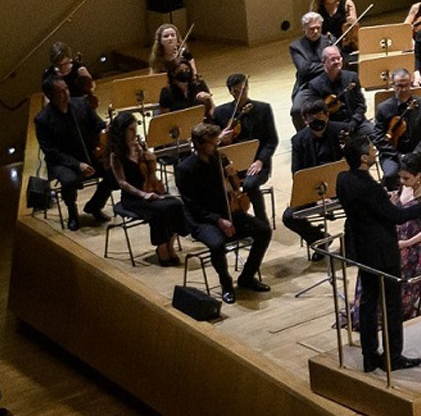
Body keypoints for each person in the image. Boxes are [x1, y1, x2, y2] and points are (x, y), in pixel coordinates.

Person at [338, 136, 421, 370]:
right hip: (382, 251)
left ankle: (369, 356)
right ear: (364, 158)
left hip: (361, 248)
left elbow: (369, 210)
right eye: (372, 149)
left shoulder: (343, 179)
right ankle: (393, 357)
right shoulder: (370, 187)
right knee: (392, 305)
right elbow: (396, 217)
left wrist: (384, 202)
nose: (375, 151)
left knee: (368, 302)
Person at [177, 122, 274, 304]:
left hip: (227, 211)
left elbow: (232, 184)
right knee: (217, 244)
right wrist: (219, 221)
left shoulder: (218, 159)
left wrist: (234, 182)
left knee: (264, 231)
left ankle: (246, 277)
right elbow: (192, 206)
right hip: (202, 220)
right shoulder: (185, 169)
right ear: (199, 144)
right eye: (212, 143)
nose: (216, 146)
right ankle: (226, 283)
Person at [104, 112, 186, 266]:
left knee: (177, 204)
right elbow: (122, 183)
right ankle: (161, 248)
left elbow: (151, 170)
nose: (135, 134)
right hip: (133, 198)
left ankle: (170, 244)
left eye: (136, 130)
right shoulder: (116, 155)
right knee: (161, 209)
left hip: (151, 189)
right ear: (122, 131)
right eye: (131, 130)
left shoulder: (140, 147)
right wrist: (143, 195)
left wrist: (147, 154)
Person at [33, 78, 113, 230]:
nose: (66, 94)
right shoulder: (42, 120)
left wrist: (106, 126)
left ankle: (94, 206)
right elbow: (51, 152)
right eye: (61, 92)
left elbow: (97, 124)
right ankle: (72, 213)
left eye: (66, 89)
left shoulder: (81, 104)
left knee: (112, 172)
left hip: (87, 153)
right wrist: (78, 165)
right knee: (69, 181)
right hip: (63, 162)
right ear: (50, 96)